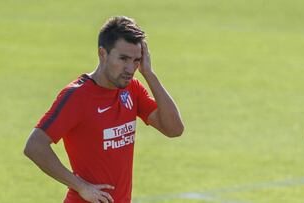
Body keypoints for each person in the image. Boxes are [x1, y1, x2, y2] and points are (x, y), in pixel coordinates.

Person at [24, 16, 184, 203]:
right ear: (102, 54)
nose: (130, 68)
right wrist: (80, 186)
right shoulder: (77, 96)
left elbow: (174, 129)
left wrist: (149, 74)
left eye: (136, 60)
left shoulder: (132, 89)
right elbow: (34, 146)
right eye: (123, 58)